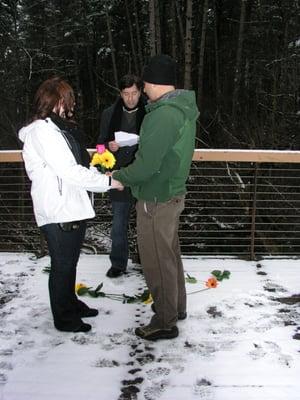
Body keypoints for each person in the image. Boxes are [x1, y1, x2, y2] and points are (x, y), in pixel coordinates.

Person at [18, 77, 123, 333]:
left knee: (69, 263)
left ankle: (70, 303)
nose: (70, 106)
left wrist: (100, 172)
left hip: (71, 206)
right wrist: (109, 182)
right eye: (67, 100)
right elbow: (69, 171)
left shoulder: (59, 129)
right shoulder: (44, 132)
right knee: (62, 265)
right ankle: (64, 318)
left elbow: (77, 166)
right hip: (57, 209)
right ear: (54, 101)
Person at [113, 55, 199, 340]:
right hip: (170, 193)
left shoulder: (163, 114)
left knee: (157, 261)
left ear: (153, 82)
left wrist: (119, 177)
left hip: (156, 197)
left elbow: (147, 164)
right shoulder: (180, 109)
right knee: (169, 255)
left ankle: (164, 321)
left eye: (145, 83)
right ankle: (176, 308)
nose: (143, 88)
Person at [97, 74, 146, 278]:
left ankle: (147, 262)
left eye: (134, 93)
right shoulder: (109, 114)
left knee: (146, 223)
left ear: (141, 92)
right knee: (118, 223)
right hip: (118, 177)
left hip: (144, 174)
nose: (131, 98)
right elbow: (99, 146)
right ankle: (118, 263)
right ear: (120, 93)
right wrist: (108, 148)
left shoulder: (151, 112)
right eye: (126, 94)